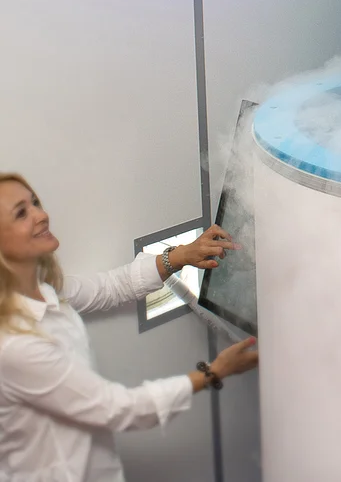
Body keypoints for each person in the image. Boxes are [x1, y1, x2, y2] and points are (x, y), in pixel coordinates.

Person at [0, 172, 258, 482]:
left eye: (35, 202)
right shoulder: (15, 345)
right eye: (21, 213)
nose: (41, 215)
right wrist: (214, 372)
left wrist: (180, 256)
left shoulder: (44, 288)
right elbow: (117, 408)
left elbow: (110, 287)